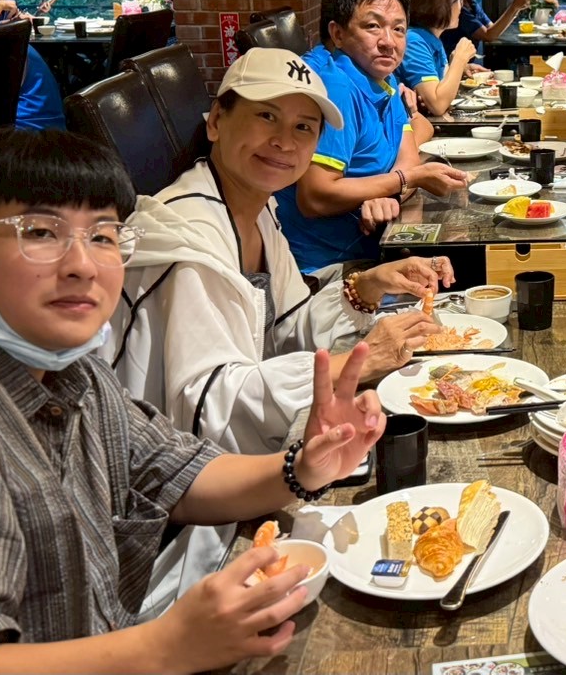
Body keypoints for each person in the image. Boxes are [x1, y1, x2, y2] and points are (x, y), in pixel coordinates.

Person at [0, 127, 387, 672]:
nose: (82, 265)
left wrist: (303, 467)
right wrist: (166, 647)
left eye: (102, 236)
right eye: (40, 233)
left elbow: (176, 473)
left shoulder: (68, 368)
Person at [110, 47, 445, 613]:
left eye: (303, 127)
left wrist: (363, 288)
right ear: (216, 121)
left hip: (245, 474)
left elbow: (286, 327)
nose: (284, 141)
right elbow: (210, 409)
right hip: (174, 526)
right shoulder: (186, 242)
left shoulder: (254, 207)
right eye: (266, 116)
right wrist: (353, 364)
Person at [276, 0, 469, 273]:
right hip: (327, 270)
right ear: (338, 34)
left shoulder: (383, 78)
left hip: (375, 248)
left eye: (399, 29)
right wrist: (403, 182)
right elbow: (314, 197)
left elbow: (408, 157)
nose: (388, 42)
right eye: (372, 26)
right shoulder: (336, 88)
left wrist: (386, 191)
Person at [395, 0, 483, 116]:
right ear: (440, 5)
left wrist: (459, 67)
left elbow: (442, 90)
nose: (461, 5)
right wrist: (459, 59)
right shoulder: (414, 40)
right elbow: (438, 105)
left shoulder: (431, 37)